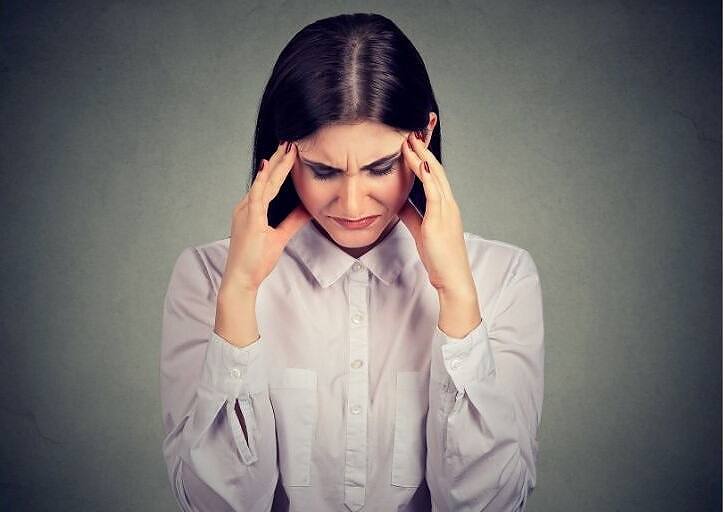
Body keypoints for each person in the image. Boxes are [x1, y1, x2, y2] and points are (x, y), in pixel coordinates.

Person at [160, 12, 544, 512]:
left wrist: (457, 299)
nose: (354, 204)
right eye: (322, 171)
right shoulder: (207, 278)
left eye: (380, 167)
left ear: (424, 136)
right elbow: (211, 505)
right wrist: (238, 296)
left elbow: (492, 504)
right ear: (281, 152)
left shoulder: (504, 278)